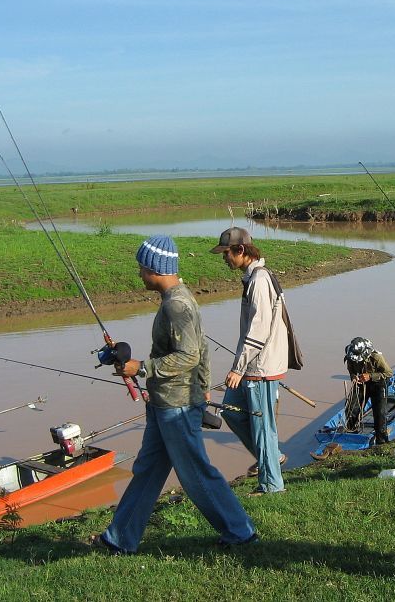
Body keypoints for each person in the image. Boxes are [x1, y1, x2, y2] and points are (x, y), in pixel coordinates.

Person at [95, 235, 257, 554]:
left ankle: (240, 531)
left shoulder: (177, 305)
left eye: (142, 268)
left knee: (195, 472)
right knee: (148, 471)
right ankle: (120, 538)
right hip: (164, 403)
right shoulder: (175, 299)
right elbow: (201, 352)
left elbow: (189, 356)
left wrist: (141, 367)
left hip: (178, 406)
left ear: (155, 268)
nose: (140, 274)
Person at [211, 227, 287, 495]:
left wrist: (237, 368)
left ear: (240, 251)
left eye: (226, 253)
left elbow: (258, 329)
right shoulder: (253, 277)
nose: (224, 259)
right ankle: (272, 456)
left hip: (260, 367)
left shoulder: (259, 280)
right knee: (231, 410)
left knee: (263, 427)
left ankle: (272, 485)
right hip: (254, 365)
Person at [343, 337, 392, 444]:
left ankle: (381, 440)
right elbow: (351, 369)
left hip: (378, 384)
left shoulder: (376, 357)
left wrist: (370, 376)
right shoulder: (350, 356)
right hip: (361, 383)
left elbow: (388, 373)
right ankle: (351, 434)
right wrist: (353, 377)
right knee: (351, 408)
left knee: (379, 413)